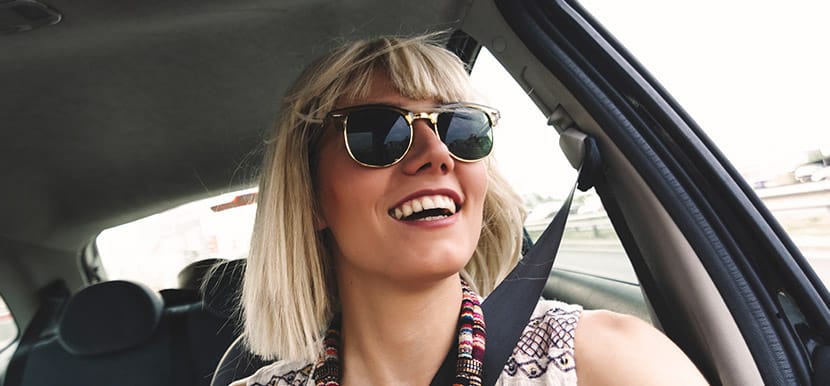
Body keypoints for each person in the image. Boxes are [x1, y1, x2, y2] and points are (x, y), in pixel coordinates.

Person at [231, 34, 708, 386]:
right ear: (311, 196)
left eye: (460, 128)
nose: (437, 153)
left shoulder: (605, 362)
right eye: (378, 133)